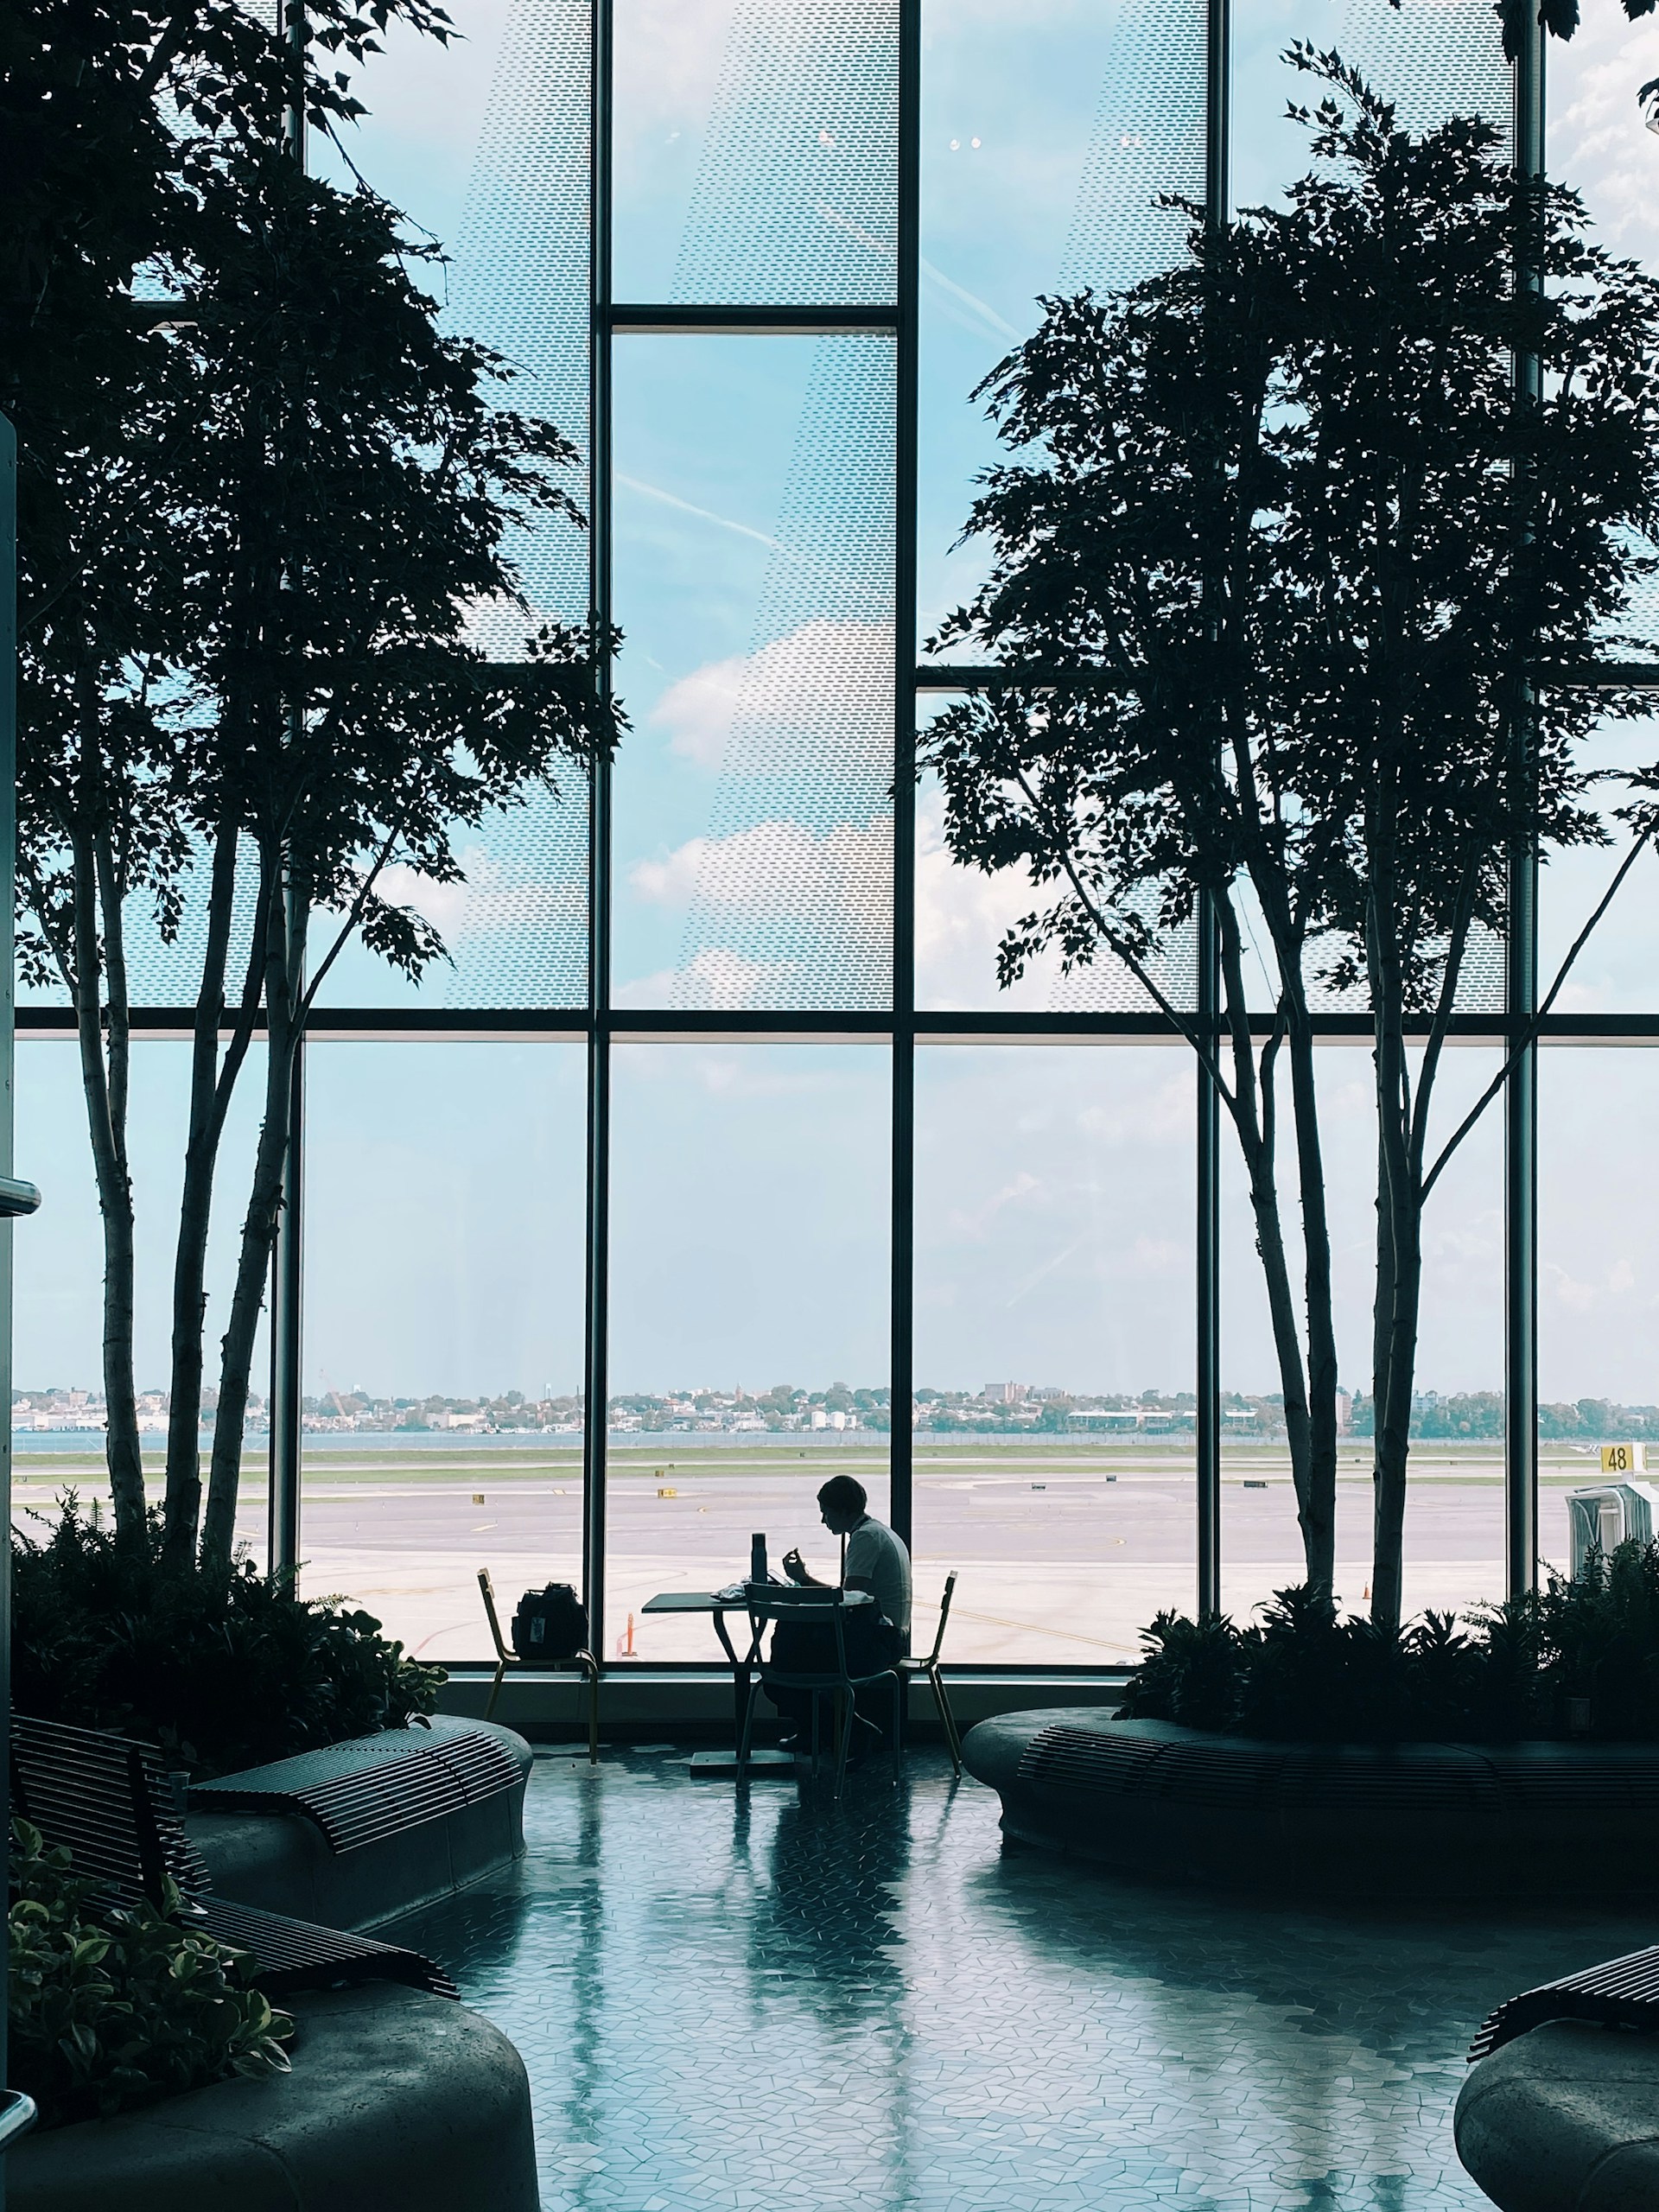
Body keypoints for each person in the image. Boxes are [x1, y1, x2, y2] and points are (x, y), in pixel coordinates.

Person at [766, 1475, 911, 1755]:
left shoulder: (865, 1538)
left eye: (826, 1512)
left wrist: (803, 1580)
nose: (824, 1520)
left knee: (784, 1667)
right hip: (885, 1635)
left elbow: (849, 1602)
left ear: (843, 1511)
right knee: (792, 1654)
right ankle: (824, 1731)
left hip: (878, 1644)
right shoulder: (878, 1531)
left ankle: (847, 1730)